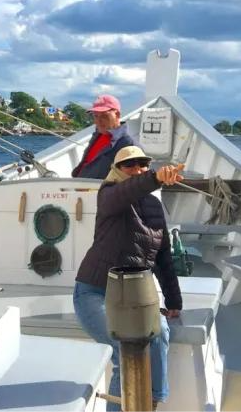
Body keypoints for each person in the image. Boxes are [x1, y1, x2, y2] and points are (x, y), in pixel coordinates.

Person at [73, 146, 184, 411]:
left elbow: (163, 257)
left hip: (134, 298)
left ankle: (152, 400)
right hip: (94, 293)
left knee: (159, 332)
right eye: (129, 165)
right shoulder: (109, 194)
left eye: (142, 165)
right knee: (126, 348)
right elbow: (128, 191)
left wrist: (173, 300)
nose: (136, 170)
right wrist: (155, 178)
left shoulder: (155, 206)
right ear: (116, 170)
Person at [71, 94, 135, 179]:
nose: (98, 121)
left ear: (117, 115)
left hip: (97, 190)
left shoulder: (128, 143)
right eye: (95, 116)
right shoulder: (97, 135)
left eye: (104, 116)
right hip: (78, 185)